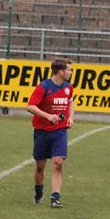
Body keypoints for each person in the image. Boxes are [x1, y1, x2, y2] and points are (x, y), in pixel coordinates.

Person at [27, 58, 74, 208]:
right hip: (42, 131)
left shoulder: (68, 88)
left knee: (58, 163)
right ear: (60, 72)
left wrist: (71, 117)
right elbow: (30, 106)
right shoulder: (43, 87)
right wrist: (48, 116)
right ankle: (38, 192)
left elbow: (70, 102)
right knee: (40, 165)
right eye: (69, 70)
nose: (71, 73)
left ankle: (55, 197)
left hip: (59, 131)